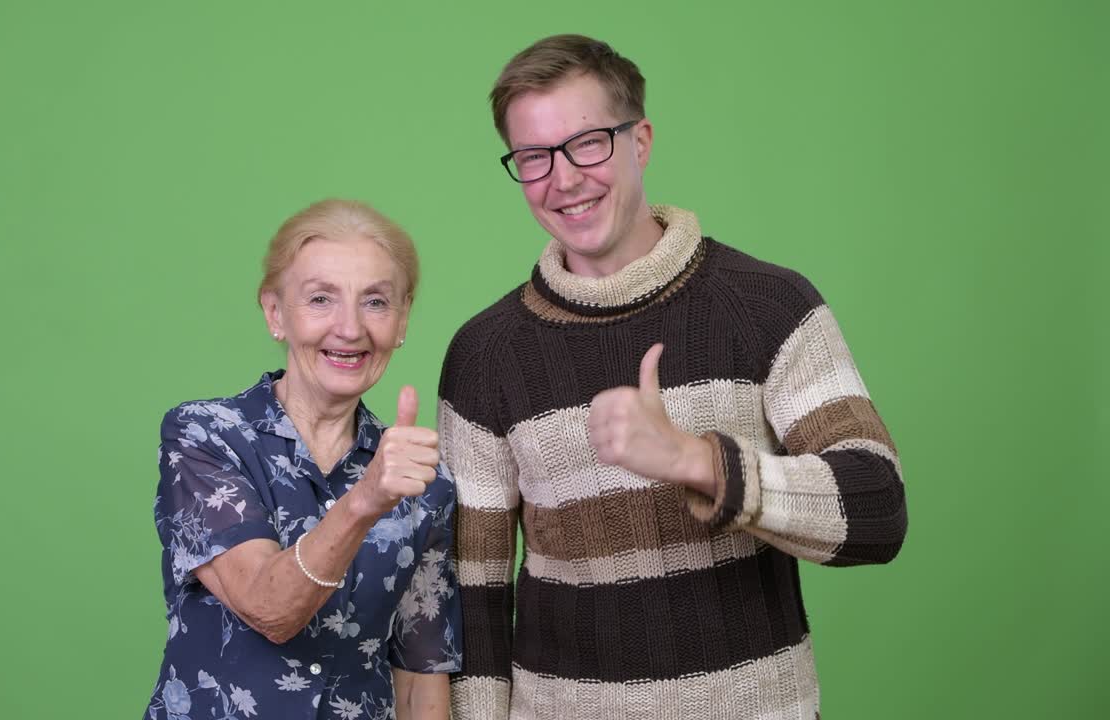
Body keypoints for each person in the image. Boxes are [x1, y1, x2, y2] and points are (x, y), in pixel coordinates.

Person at [439, 35, 907, 719]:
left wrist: (699, 462)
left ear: (641, 140)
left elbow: (877, 510)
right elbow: (473, 598)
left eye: (588, 142)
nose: (563, 178)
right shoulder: (485, 354)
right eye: (534, 157)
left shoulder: (771, 306)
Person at [145, 199, 462, 720]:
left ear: (402, 319)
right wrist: (366, 500)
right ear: (275, 313)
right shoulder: (205, 436)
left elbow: (418, 682)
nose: (350, 328)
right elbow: (269, 610)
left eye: (376, 302)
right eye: (321, 299)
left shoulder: (425, 483)